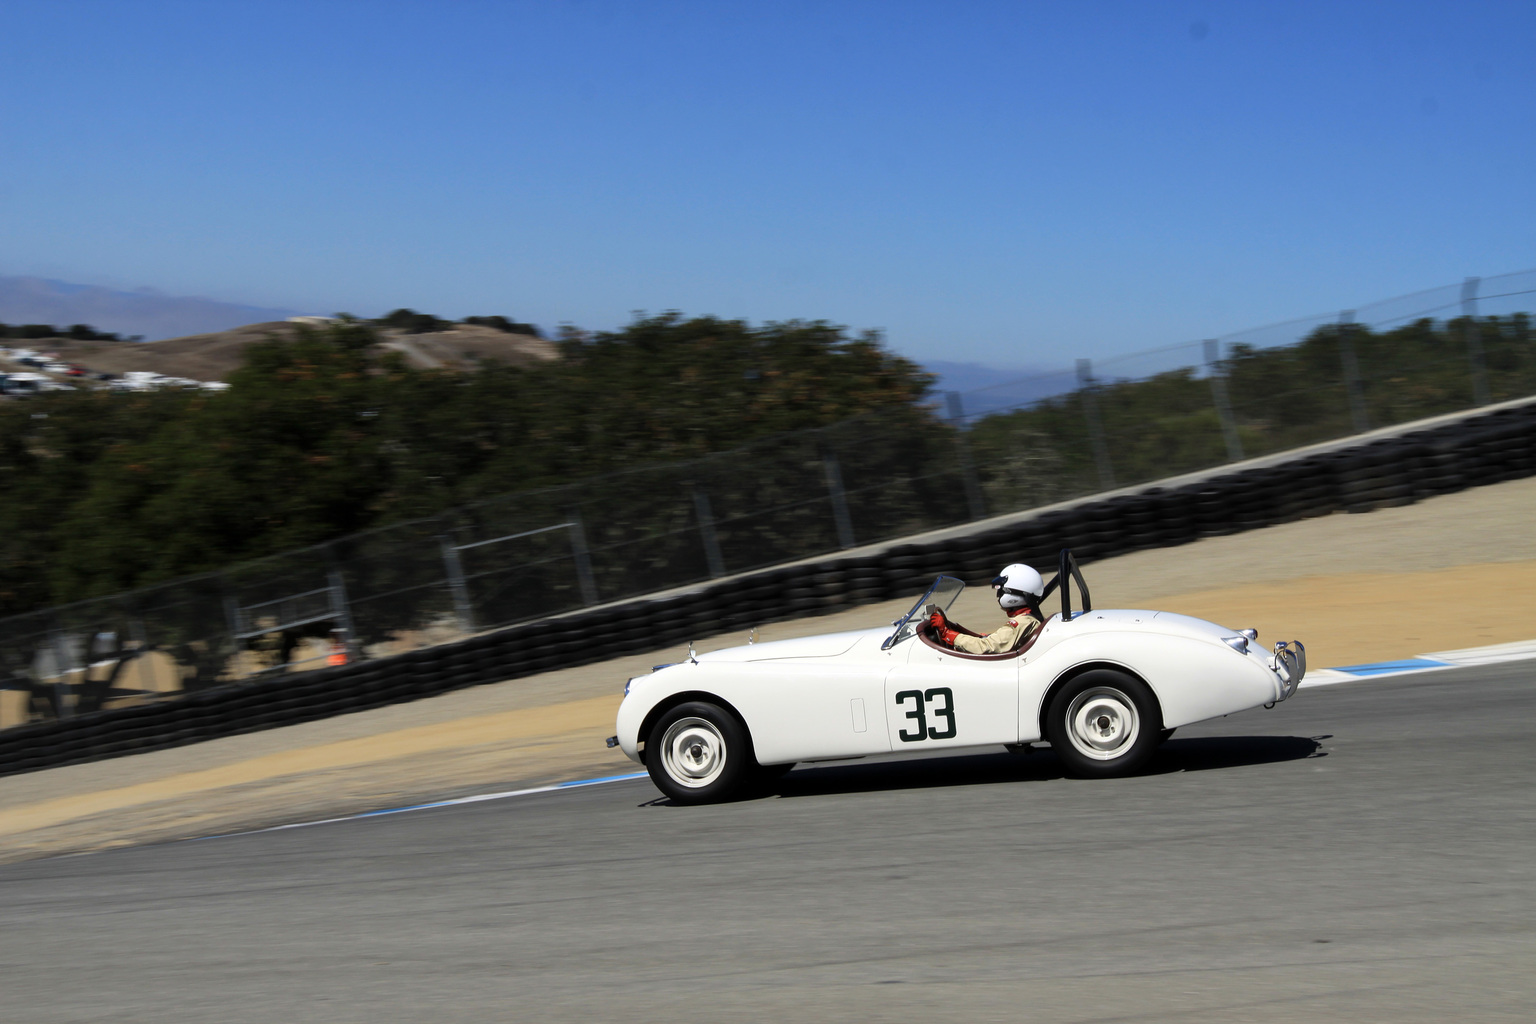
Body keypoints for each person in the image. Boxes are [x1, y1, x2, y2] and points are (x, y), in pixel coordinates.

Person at [928, 563, 1046, 655]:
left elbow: (985, 647)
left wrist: (947, 633)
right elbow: (991, 642)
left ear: (1014, 593)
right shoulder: (1029, 619)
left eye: (1001, 591)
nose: (998, 595)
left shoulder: (1021, 623)